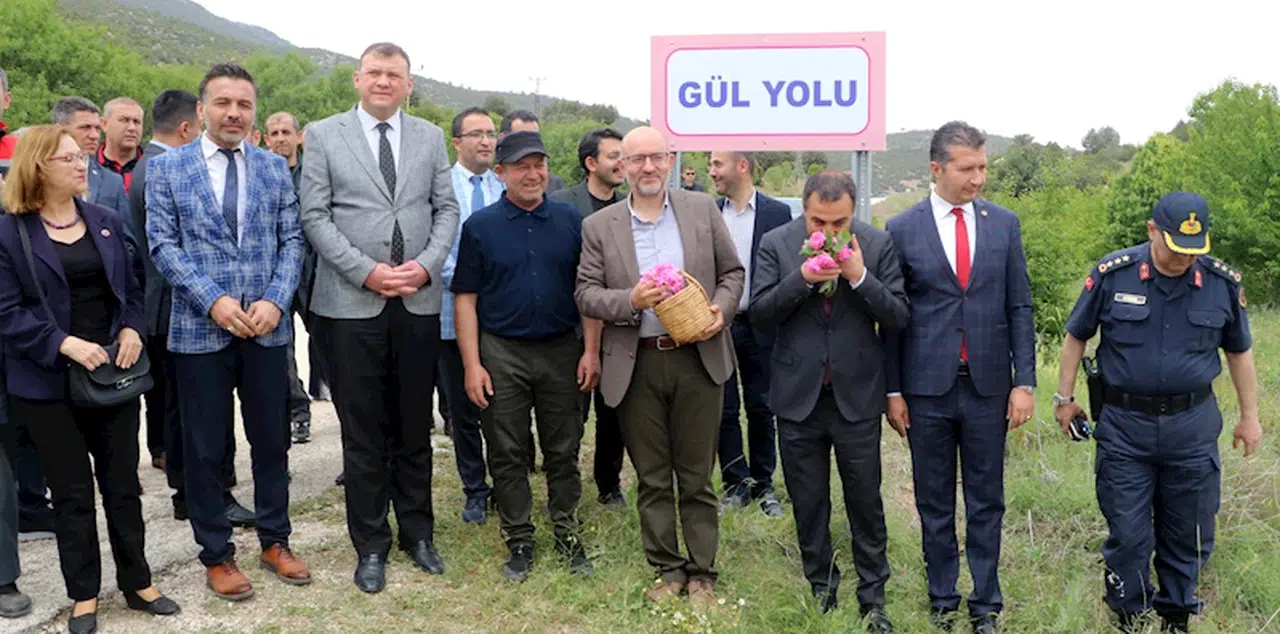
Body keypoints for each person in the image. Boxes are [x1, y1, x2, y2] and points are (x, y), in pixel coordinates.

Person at [1052, 192, 1262, 634]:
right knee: (1128, 533)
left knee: (1189, 530)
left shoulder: (1221, 283)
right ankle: (1130, 614)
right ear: (1152, 230)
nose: (1185, 258)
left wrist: (1250, 416)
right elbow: (1076, 336)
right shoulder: (1114, 274)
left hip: (1192, 427)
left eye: (1194, 249)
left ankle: (1176, 615)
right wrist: (1063, 398)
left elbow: (1239, 353)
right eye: (1175, 247)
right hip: (1125, 427)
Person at [0, 125, 180, 633]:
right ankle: (83, 593)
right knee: (72, 493)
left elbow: (132, 287)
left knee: (123, 485)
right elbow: (7, 311)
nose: (83, 165)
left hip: (111, 375)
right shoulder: (9, 232)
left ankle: (138, 581)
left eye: (82, 157)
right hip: (47, 383)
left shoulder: (103, 220)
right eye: (69, 159)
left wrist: (131, 329)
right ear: (38, 167)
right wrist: (62, 343)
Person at [147, 63, 311, 601]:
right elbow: (162, 244)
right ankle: (216, 553)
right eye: (223, 102)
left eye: (244, 104)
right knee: (203, 449)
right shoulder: (168, 170)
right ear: (201, 110)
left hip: (265, 329)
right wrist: (212, 300)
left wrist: (276, 299)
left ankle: (275, 540)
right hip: (200, 331)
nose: (234, 113)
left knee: (272, 441)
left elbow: (292, 240)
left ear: (253, 112)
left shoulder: (273, 168)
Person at [301, 42, 459, 593]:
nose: (384, 82)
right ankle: (371, 544)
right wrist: (365, 270)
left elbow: (446, 209)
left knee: (414, 424)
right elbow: (315, 217)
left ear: (409, 84)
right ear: (357, 79)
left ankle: (418, 533)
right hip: (350, 305)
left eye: (394, 74)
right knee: (363, 430)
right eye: (375, 72)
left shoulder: (430, 137)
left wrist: (426, 265)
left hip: (416, 300)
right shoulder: (324, 135)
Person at [575, 126, 744, 609]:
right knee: (651, 475)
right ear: (622, 166)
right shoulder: (600, 226)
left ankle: (703, 573)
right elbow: (585, 294)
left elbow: (733, 273)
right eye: (636, 159)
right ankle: (668, 568)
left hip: (697, 358)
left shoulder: (701, 209)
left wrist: (721, 309)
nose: (647, 167)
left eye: (656, 157)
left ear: (670, 161)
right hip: (637, 363)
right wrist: (630, 299)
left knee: (696, 475)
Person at [883, 121, 1035, 634]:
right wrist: (893, 390)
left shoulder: (1003, 224)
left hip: (989, 386)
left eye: (983, 167)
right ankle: (942, 599)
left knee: (987, 499)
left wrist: (1024, 382)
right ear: (937, 168)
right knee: (934, 500)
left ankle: (986, 602)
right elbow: (892, 318)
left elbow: (1019, 306)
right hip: (926, 389)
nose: (978, 178)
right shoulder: (902, 228)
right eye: (967, 168)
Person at [751, 172, 907, 630]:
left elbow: (898, 316)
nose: (830, 230)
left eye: (840, 222)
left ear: (853, 212)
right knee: (808, 500)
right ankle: (822, 587)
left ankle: (873, 597)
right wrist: (800, 278)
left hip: (856, 396)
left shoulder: (877, 244)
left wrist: (859, 277)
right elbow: (759, 314)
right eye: (819, 221)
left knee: (865, 500)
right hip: (797, 396)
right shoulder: (776, 244)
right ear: (804, 209)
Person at [453, 131, 599, 580]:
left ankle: (567, 531)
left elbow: (587, 291)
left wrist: (591, 350)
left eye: (539, 165)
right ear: (501, 173)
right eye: (521, 167)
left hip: (561, 349)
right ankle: (519, 538)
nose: (533, 174)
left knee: (564, 447)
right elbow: (466, 299)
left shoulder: (571, 221)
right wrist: (472, 365)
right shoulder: (480, 227)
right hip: (502, 352)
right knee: (507, 449)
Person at [129, 90, 251, 527]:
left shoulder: (145, 166)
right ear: (189, 125)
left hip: (172, 305)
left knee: (181, 409)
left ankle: (195, 492)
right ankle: (204, 494)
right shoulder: (162, 169)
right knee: (193, 412)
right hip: (180, 307)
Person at [707, 150, 791, 516]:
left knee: (762, 406)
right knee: (723, 407)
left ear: (742, 166)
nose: (711, 171)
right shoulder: (710, 212)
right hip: (720, 324)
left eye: (717, 164)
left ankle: (763, 483)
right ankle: (734, 485)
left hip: (762, 324)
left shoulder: (777, 213)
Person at [550, 127, 629, 507]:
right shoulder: (562, 205)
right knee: (570, 415)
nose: (621, 163)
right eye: (614, 156)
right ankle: (565, 486)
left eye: (623, 156)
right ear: (591, 163)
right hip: (572, 329)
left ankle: (609, 485)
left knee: (614, 412)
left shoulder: (631, 207)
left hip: (620, 328)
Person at [440, 107, 504, 524]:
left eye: (491, 133)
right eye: (476, 133)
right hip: (450, 314)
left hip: (499, 319)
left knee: (501, 408)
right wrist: (468, 282)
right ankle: (475, 489)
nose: (485, 141)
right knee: (463, 409)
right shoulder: (438, 188)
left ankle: (506, 483)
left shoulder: (506, 185)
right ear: (456, 142)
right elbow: (435, 246)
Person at [265, 110, 317, 444]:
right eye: (275, 133)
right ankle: (298, 413)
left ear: (299, 137)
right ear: (266, 139)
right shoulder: (261, 175)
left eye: (286, 132)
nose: (281, 138)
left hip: (313, 272)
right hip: (276, 274)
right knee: (281, 353)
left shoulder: (315, 175)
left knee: (328, 346)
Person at [499, 110, 563, 194]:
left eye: (534, 137)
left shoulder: (553, 184)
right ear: (502, 138)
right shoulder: (488, 183)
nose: (530, 142)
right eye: (521, 137)